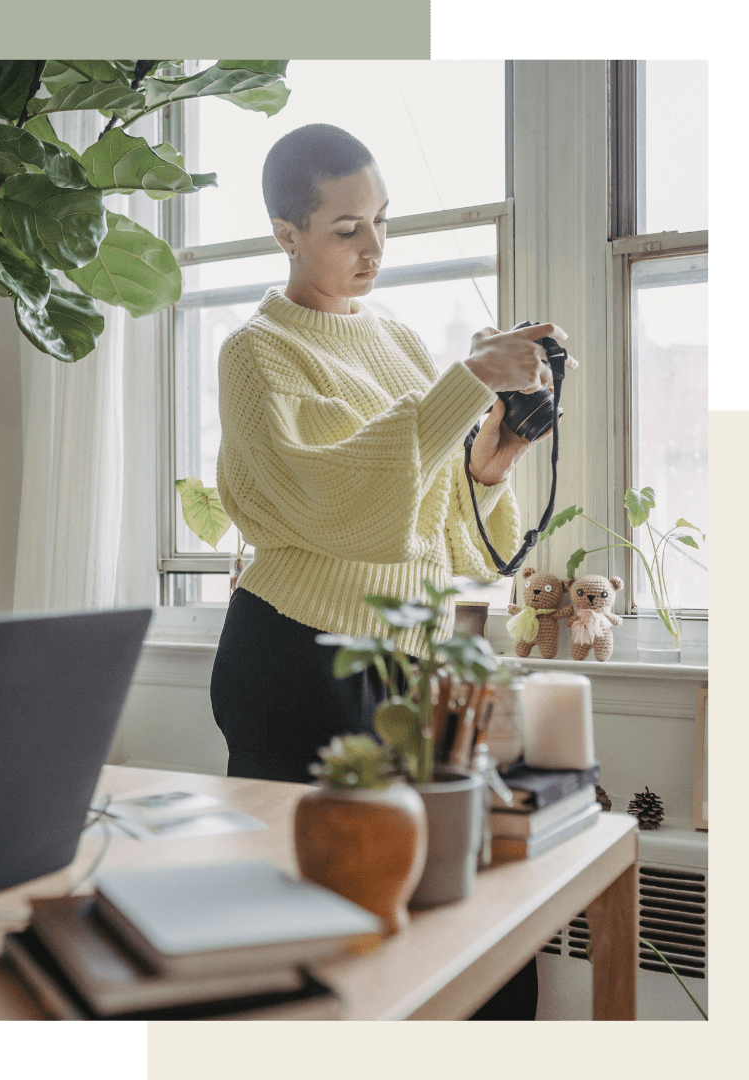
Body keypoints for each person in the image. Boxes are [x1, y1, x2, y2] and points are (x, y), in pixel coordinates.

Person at [208, 123, 579, 1021]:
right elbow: (328, 499)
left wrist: (490, 461)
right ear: (285, 233)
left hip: (405, 666)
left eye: (381, 221)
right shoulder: (256, 353)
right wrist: (461, 382)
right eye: (346, 228)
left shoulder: (404, 344)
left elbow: (439, 525)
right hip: (299, 659)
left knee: (454, 915)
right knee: (314, 936)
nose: (374, 248)